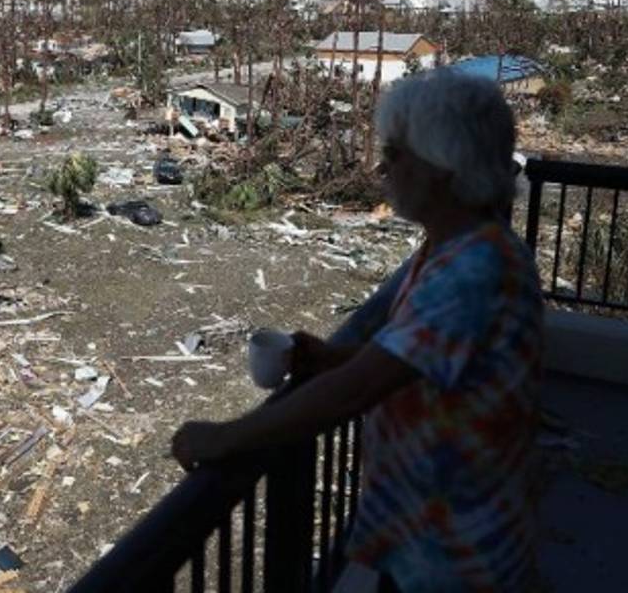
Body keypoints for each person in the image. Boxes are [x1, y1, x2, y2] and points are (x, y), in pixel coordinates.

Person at [171, 70, 544, 592]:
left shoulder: (473, 272)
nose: (382, 166)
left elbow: (358, 391)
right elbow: (413, 365)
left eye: (395, 152)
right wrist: (333, 358)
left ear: (443, 167)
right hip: (430, 532)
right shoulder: (456, 248)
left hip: (457, 556)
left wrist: (225, 438)